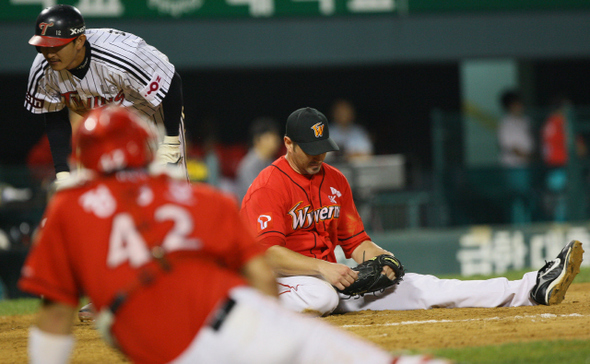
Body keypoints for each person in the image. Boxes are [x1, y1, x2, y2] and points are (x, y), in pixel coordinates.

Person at [17, 106, 451, 364]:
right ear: (147, 151)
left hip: (169, 339)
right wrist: (267, 326)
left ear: (82, 160)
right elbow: (259, 273)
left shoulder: (67, 214)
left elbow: (54, 318)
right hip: (236, 309)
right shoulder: (201, 199)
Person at [239, 106, 584, 317]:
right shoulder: (269, 186)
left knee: (424, 288)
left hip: (331, 279)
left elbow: (356, 241)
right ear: (287, 144)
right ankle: (250, 311)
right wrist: (323, 269)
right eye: (309, 150)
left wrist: (379, 256)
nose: (318, 157)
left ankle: (529, 289)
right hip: (282, 280)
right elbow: (264, 253)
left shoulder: (336, 181)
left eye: (323, 149)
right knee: (322, 295)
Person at [24, 4, 187, 186]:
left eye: (56, 46)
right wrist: (63, 173)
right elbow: (55, 118)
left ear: (79, 42)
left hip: (150, 120)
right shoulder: (43, 69)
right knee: (98, 196)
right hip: (101, 128)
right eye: (43, 46)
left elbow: (171, 82)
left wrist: (170, 143)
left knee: (168, 192)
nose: (49, 53)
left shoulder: (124, 55)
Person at [541, 95, 587, 221]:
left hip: (553, 168)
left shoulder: (549, 122)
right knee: (567, 204)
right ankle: (569, 234)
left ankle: (561, 232)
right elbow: (580, 149)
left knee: (558, 204)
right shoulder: (562, 123)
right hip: (564, 168)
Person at [497, 90, 535, 223]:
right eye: (517, 104)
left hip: (526, 166)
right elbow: (509, 146)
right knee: (517, 198)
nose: (520, 106)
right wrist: (527, 156)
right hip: (513, 167)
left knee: (528, 198)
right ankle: (518, 226)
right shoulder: (506, 123)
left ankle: (527, 223)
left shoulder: (525, 120)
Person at [235, 117, 282, 203]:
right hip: (250, 212)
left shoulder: (272, 161)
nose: (276, 140)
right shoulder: (249, 165)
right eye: (271, 137)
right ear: (258, 140)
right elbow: (254, 196)